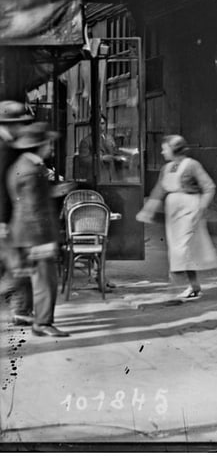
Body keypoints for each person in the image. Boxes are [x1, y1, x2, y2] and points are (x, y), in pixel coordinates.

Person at [4, 122, 70, 336]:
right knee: (45, 281)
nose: (51, 147)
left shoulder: (24, 165)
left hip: (25, 233)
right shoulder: (31, 171)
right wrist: (44, 242)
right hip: (36, 234)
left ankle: (28, 314)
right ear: (38, 144)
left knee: (30, 278)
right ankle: (42, 323)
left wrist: (54, 191)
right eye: (48, 143)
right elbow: (33, 208)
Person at [137, 135, 217, 302]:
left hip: (189, 209)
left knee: (181, 249)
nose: (162, 152)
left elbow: (209, 187)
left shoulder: (192, 165)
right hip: (173, 211)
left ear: (174, 149)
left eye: (165, 148)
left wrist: (201, 208)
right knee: (179, 249)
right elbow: (159, 190)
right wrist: (148, 210)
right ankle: (193, 286)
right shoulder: (166, 168)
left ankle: (173, 291)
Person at [1, 101, 34, 326]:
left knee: (16, 264)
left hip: (10, 216)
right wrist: (3, 221)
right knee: (18, 265)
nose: (22, 127)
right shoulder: (4, 148)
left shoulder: (10, 144)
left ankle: (20, 308)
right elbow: (1, 188)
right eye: (20, 123)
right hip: (6, 217)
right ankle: (21, 310)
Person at [76, 114, 126, 183]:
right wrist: (102, 158)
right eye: (98, 123)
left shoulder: (109, 138)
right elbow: (83, 160)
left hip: (111, 177)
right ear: (92, 125)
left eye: (102, 123)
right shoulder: (86, 141)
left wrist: (118, 156)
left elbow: (114, 151)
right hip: (96, 179)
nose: (100, 126)